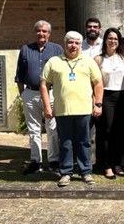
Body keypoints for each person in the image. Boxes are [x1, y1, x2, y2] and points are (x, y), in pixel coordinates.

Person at [40, 31, 104, 187]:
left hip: (84, 110)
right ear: (65, 43)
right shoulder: (54, 62)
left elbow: (98, 83)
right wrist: (47, 106)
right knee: (65, 143)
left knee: (84, 142)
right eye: (70, 42)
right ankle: (66, 173)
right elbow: (44, 84)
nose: (73, 45)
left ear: (80, 45)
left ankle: (86, 172)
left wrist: (98, 104)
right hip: (62, 111)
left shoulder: (88, 61)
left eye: (76, 43)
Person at [15, 20, 63, 174]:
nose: (41, 33)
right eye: (38, 31)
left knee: (52, 128)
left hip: (51, 93)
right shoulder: (25, 49)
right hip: (31, 93)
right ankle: (36, 161)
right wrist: (23, 94)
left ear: (49, 33)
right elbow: (19, 74)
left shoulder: (57, 49)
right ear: (35, 32)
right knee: (33, 129)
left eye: (44, 31)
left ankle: (54, 161)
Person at [95, 28, 124, 179]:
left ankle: (117, 163)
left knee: (120, 131)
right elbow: (95, 82)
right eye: (110, 38)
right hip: (106, 97)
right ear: (105, 40)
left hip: (123, 96)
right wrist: (96, 102)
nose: (113, 41)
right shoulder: (98, 59)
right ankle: (107, 165)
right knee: (107, 131)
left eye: (116, 39)